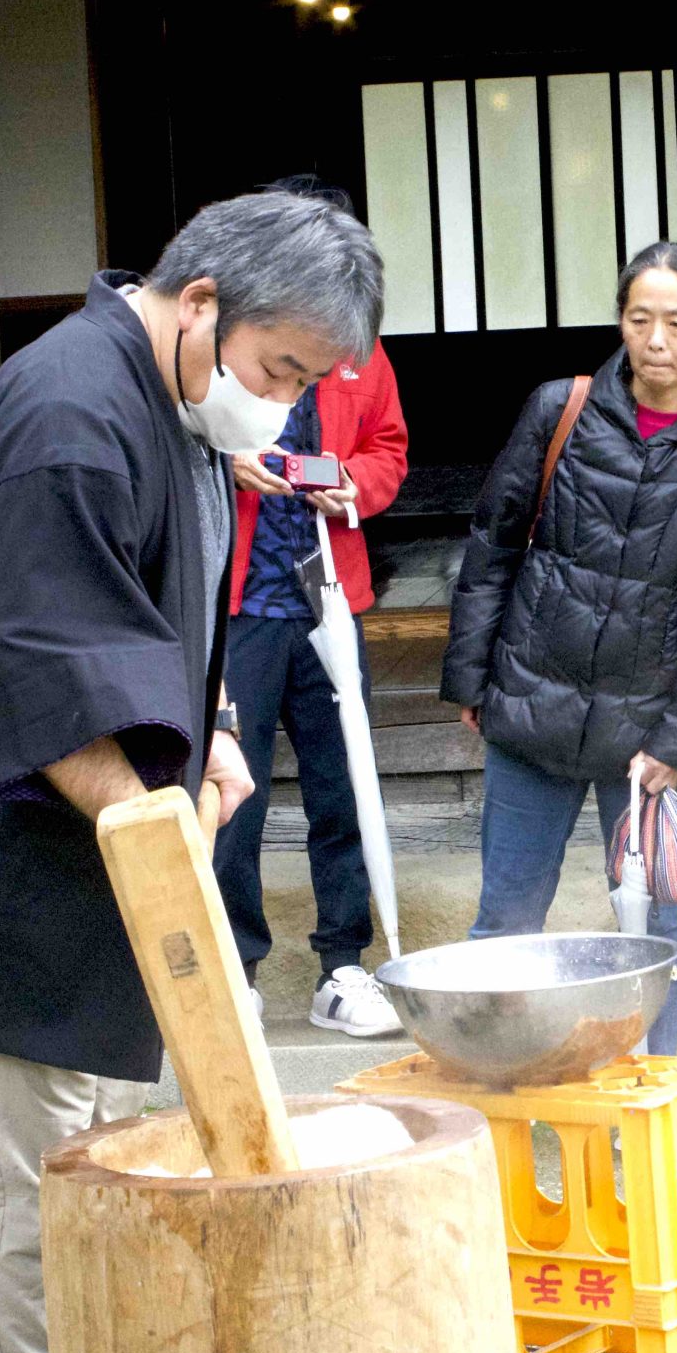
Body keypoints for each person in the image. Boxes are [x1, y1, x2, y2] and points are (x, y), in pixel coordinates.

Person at [0, 190, 382, 1353]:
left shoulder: (178, 402)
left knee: (106, 1168)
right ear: (202, 303)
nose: (285, 401)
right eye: (281, 369)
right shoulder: (68, 421)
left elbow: (153, 611)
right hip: (18, 858)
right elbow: (39, 680)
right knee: (36, 1181)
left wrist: (206, 724)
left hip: (112, 843)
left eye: (309, 379)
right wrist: (160, 839)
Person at [441, 241, 677, 1053]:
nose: (656, 339)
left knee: (656, 934)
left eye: (676, 322)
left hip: (649, 742)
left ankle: (647, 1100)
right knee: (507, 923)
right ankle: (501, 1106)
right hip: (530, 706)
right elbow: (492, 546)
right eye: (639, 319)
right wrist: (473, 682)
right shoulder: (562, 407)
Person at [217, 177, 410, 1038]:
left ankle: (344, 965)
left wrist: (353, 490)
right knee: (232, 792)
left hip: (331, 593)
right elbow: (174, 433)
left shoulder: (364, 348)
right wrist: (228, 464)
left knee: (344, 786)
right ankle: (235, 969)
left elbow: (388, 449)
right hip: (237, 602)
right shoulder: (229, 337)